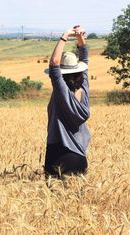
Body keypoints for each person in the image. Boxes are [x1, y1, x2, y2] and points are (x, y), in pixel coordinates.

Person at [44, 25, 90, 178]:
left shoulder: (61, 93)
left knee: (53, 200)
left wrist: (64, 36)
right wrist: (79, 38)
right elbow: (85, 59)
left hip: (59, 155)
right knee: (78, 201)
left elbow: (54, 65)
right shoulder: (84, 89)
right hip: (80, 158)